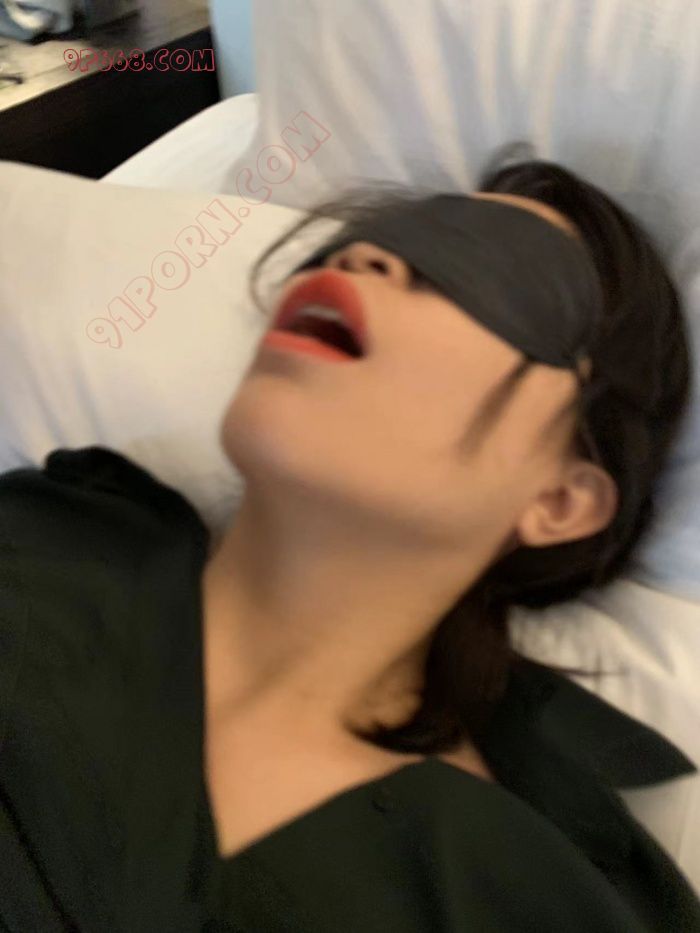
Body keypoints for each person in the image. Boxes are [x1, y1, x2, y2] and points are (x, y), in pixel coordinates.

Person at [1, 153, 699, 932]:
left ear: (559, 501)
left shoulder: (518, 898)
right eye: (397, 232)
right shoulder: (48, 534)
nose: (367, 255)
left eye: (489, 266)